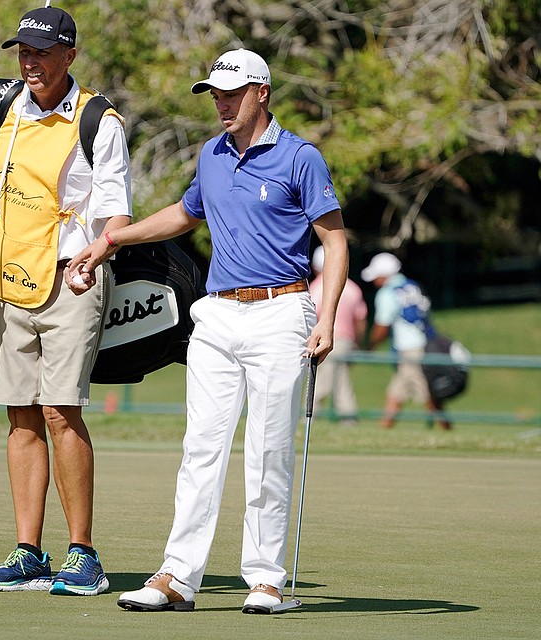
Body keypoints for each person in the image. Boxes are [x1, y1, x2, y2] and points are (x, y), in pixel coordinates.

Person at [65, 48, 348, 613]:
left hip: (281, 311)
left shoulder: (301, 158)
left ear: (261, 92)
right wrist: (111, 241)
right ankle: (177, 575)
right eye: (215, 93)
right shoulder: (213, 155)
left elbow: (334, 241)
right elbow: (184, 213)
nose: (220, 102)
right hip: (217, 314)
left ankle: (265, 579)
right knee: (200, 448)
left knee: (269, 451)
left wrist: (328, 316)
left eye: (231, 92)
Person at [0, 4, 131, 596]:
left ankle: (84, 555)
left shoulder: (99, 120)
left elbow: (115, 213)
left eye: (42, 52)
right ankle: (28, 551)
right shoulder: (3, 109)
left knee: (59, 410)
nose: (30, 63)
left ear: (69, 55)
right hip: (8, 279)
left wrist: (96, 256)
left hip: (73, 276)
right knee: (20, 413)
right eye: (23, 51)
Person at [362, 252, 451, 430]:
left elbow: (381, 326)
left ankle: (446, 429)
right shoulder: (412, 286)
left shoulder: (387, 293)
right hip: (425, 344)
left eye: (376, 276)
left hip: (410, 350)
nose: (374, 281)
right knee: (398, 392)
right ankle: (384, 429)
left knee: (426, 394)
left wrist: (370, 346)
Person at [309, 246, 368, 424]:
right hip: (347, 341)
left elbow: (311, 317)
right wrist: (357, 342)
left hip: (323, 339)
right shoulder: (352, 287)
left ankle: (316, 417)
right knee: (339, 378)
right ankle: (346, 417)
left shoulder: (316, 287)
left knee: (324, 380)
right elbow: (361, 319)